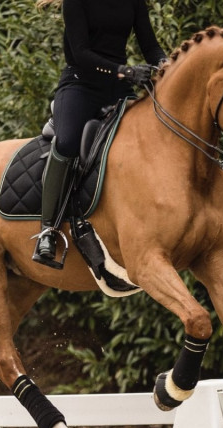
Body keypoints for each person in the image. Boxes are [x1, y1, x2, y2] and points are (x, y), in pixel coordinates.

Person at [32, 0, 167, 268]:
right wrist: (124, 71)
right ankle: (48, 229)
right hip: (80, 84)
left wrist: (166, 65)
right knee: (68, 142)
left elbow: (149, 45)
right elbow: (80, 53)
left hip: (118, 89)